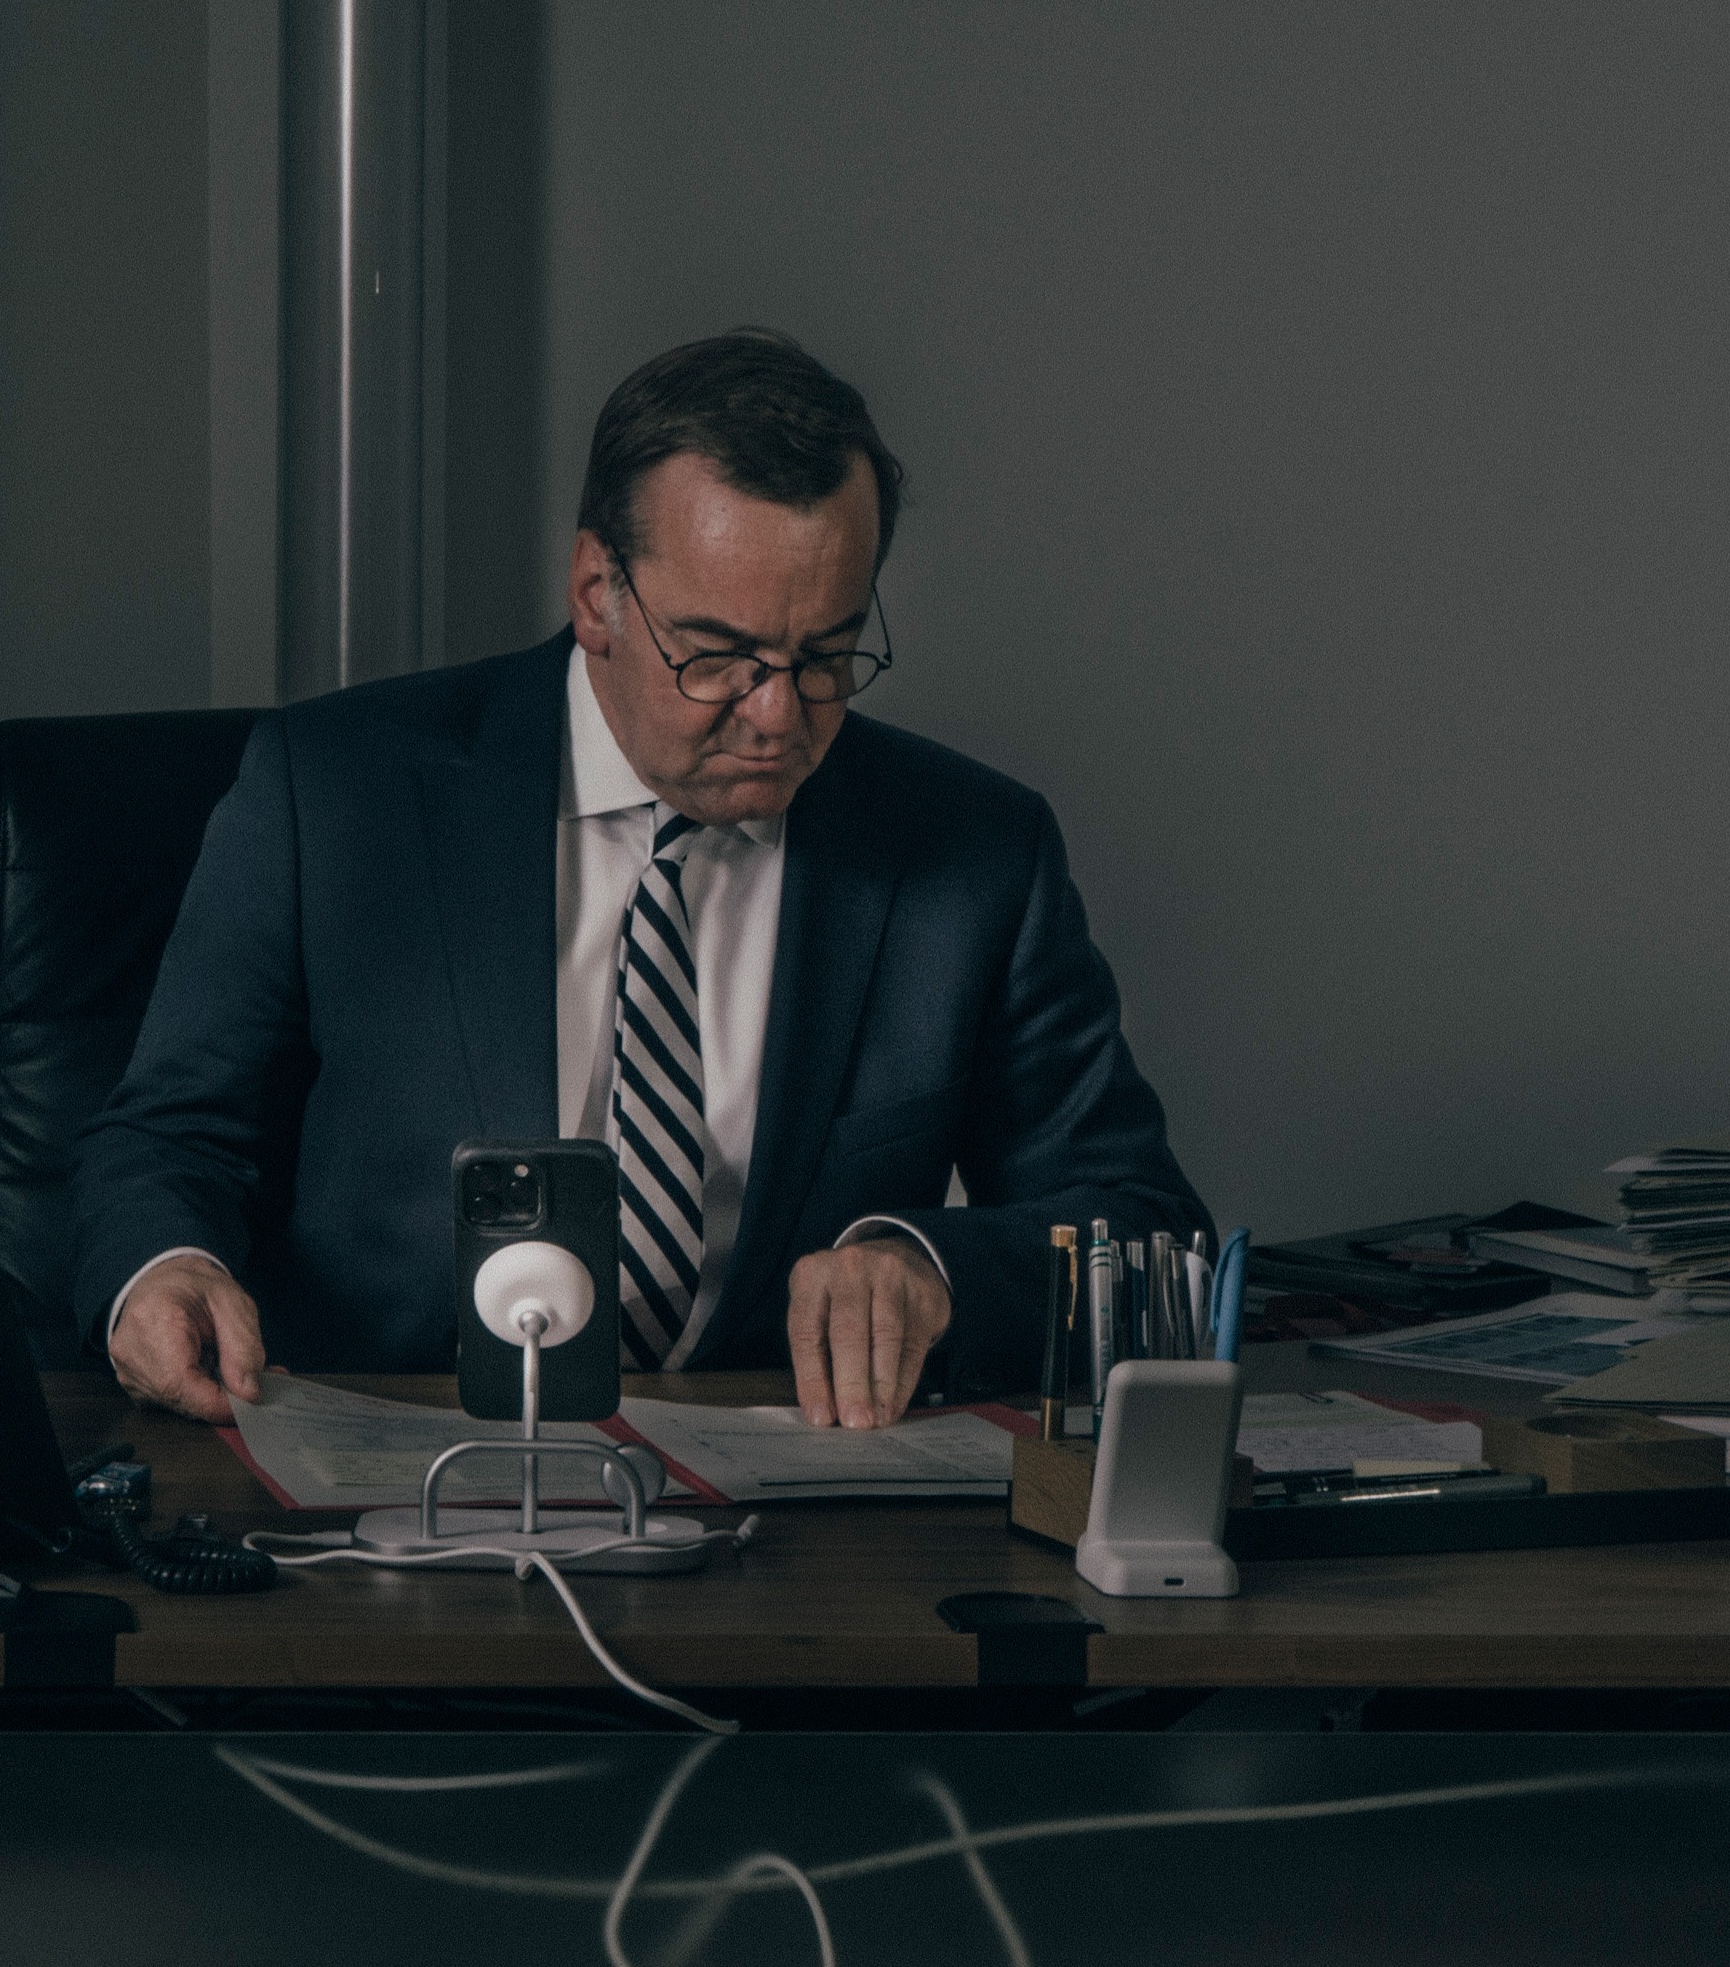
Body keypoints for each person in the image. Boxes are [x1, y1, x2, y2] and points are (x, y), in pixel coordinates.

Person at [79, 328, 1206, 1434]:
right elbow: (168, 1137)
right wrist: (163, 1269)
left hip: (792, 1534)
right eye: (716, 654)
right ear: (594, 594)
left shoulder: (971, 854)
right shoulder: (330, 796)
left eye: (825, 656)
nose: (776, 715)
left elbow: (1149, 1235)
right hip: (387, 1482)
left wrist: (929, 1265)